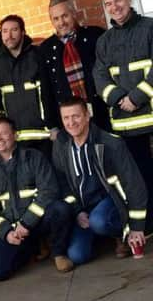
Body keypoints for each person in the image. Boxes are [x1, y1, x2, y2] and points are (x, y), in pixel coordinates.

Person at [0, 116, 74, 280]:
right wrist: (6, 232)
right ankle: (30, 248)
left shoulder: (34, 157)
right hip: (12, 230)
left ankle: (59, 253)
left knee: (60, 208)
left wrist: (27, 222)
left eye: (4, 134)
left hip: (37, 222)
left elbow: (49, 191)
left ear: (15, 135)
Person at [52, 97, 147, 264]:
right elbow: (62, 183)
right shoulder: (61, 145)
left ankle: (120, 234)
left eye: (76, 116)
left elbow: (134, 184)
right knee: (77, 256)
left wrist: (137, 227)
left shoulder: (111, 143)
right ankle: (99, 237)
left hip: (110, 202)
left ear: (87, 115)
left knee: (99, 221)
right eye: (66, 118)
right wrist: (78, 212)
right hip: (83, 209)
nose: (71, 122)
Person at [93, 0, 153, 230]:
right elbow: (99, 77)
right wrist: (119, 98)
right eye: (108, 4)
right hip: (126, 123)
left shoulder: (150, 28)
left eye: (118, 0)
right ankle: (149, 223)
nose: (114, 7)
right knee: (140, 176)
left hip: (149, 112)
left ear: (128, 0)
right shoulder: (104, 41)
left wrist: (136, 97)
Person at [39, 0, 108, 131]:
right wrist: (52, 125)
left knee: (104, 150)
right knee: (80, 152)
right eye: (56, 18)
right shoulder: (45, 49)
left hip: (100, 112)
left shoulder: (95, 35)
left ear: (74, 13)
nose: (61, 22)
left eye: (65, 16)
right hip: (69, 120)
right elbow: (46, 89)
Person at [0, 15, 53, 155]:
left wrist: (53, 126)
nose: (9, 35)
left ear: (23, 32)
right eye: (5, 31)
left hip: (45, 136)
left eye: (14, 30)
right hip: (14, 140)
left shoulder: (38, 55)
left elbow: (49, 92)